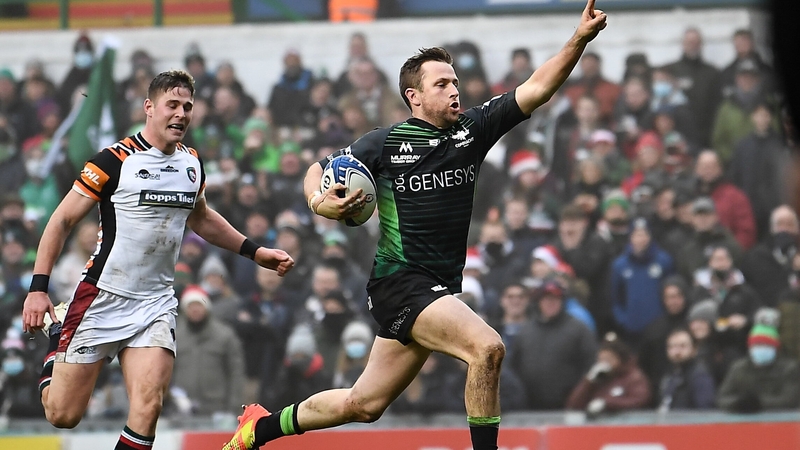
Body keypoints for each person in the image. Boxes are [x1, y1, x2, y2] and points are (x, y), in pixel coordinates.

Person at [222, 3, 608, 449]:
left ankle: (258, 428)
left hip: (437, 288)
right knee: (487, 348)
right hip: (401, 283)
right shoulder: (384, 142)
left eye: (455, 83)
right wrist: (318, 201)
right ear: (415, 96)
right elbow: (319, 168)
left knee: (363, 404)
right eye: (441, 84)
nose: (453, 92)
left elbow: (538, 87)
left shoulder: (473, 131)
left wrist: (578, 38)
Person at [21, 70, 295, 450]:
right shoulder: (113, 160)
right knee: (63, 415)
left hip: (155, 303)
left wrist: (255, 251)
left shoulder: (192, 164)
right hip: (101, 297)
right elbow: (62, 220)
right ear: (149, 108)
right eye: (173, 105)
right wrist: (38, 289)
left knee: (148, 406)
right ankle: (57, 338)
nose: (181, 114)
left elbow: (201, 217)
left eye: (188, 107)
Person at [506, 279, 597, 410]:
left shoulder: (579, 329)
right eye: (546, 299)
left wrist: (579, 395)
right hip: (530, 407)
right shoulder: (525, 331)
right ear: (539, 302)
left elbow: (590, 365)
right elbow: (514, 366)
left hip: (568, 406)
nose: (550, 303)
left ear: (562, 302)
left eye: (555, 299)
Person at [172, 286, 245, 415]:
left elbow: (236, 372)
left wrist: (233, 408)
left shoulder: (225, 335)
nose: (195, 309)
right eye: (191, 306)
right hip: (181, 408)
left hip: (216, 408)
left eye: (199, 305)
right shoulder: (174, 337)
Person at [717, 318, 800, 412]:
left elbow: (790, 400)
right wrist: (739, 403)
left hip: (779, 421)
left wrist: (757, 403)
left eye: (766, 345)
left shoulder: (789, 369)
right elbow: (722, 398)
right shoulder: (738, 368)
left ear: (775, 348)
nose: (761, 348)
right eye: (757, 345)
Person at [566, 334, 651, 417]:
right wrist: (588, 381)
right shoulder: (598, 377)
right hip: (597, 425)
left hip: (625, 424)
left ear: (620, 359)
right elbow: (573, 404)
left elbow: (639, 400)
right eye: (601, 359)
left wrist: (607, 403)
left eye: (608, 359)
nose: (604, 363)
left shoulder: (633, 377)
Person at [658, 327, 716, 411]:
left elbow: (705, 412)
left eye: (683, 346)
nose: (677, 352)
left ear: (694, 349)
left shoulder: (700, 376)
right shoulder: (668, 375)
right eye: (672, 346)